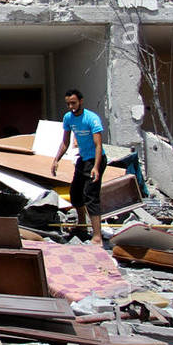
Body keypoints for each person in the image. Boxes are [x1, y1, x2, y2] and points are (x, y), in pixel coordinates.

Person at [51, 88, 106, 246]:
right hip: (83, 159)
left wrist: (96, 167)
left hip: (96, 159)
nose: (71, 107)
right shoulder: (68, 118)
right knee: (75, 193)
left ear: (81, 101)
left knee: (91, 196)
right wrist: (56, 159)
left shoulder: (91, 118)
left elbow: (98, 145)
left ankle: (97, 237)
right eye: (68, 104)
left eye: (73, 103)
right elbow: (66, 142)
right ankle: (82, 226)